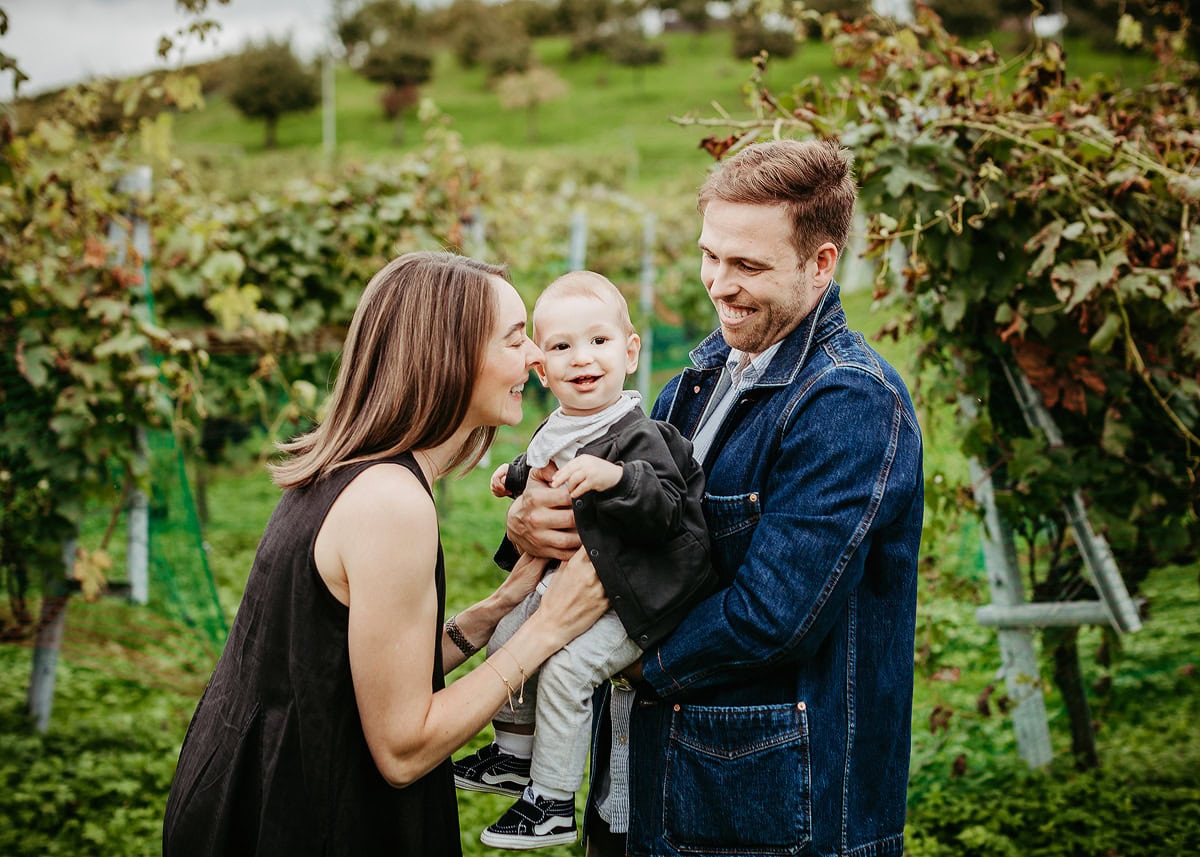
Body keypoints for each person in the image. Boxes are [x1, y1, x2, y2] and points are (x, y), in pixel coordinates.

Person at [504, 139, 925, 857]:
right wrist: (532, 519)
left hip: (767, 809)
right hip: (643, 785)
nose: (718, 284)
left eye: (747, 266)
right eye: (711, 256)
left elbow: (772, 616)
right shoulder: (695, 382)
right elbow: (645, 529)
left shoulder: (849, 400)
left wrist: (619, 657)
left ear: (821, 264)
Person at [161, 251, 611, 857]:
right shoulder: (390, 505)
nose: (536, 356)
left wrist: (500, 607)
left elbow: (345, 671)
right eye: (513, 340)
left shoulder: (350, 472)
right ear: (447, 359)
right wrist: (547, 630)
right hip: (313, 819)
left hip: (250, 795)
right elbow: (402, 750)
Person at [452, 271, 717, 850]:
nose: (582, 359)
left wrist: (616, 479)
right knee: (506, 636)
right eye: (562, 347)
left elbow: (667, 510)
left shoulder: (642, 435)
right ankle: (514, 755)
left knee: (567, 671)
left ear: (629, 350)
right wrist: (512, 477)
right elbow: (543, 462)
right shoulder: (561, 424)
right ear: (542, 370)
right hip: (577, 589)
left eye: (598, 341)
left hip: (633, 603)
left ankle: (551, 800)